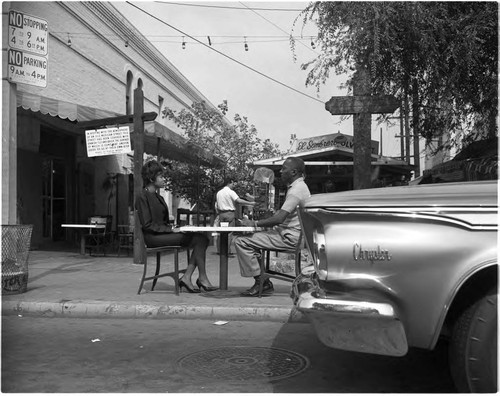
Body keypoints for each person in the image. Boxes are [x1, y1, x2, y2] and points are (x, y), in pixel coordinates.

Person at [135, 160, 217, 293]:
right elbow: (148, 225)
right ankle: (198, 278)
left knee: (202, 239)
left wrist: (180, 228)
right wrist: (172, 230)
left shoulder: (159, 197)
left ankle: (189, 277)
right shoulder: (142, 197)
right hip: (153, 237)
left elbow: (164, 222)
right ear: (151, 178)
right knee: (199, 240)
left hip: (163, 233)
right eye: (161, 176)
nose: (164, 179)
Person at [233, 157, 311, 297]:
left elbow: (279, 218)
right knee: (251, 239)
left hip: (289, 237)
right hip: (288, 233)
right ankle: (262, 279)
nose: (281, 172)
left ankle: (261, 282)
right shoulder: (299, 187)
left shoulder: (296, 190)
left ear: (293, 172)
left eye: (284, 169)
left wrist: (255, 224)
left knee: (241, 241)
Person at [215, 178, 255, 254]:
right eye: (233, 184)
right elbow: (238, 200)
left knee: (221, 233)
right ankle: (227, 250)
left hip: (221, 214)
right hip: (229, 213)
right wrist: (251, 203)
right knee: (229, 233)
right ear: (231, 182)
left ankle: (220, 250)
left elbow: (217, 205)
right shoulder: (231, 192)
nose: (234, 186)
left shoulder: (219, 193)